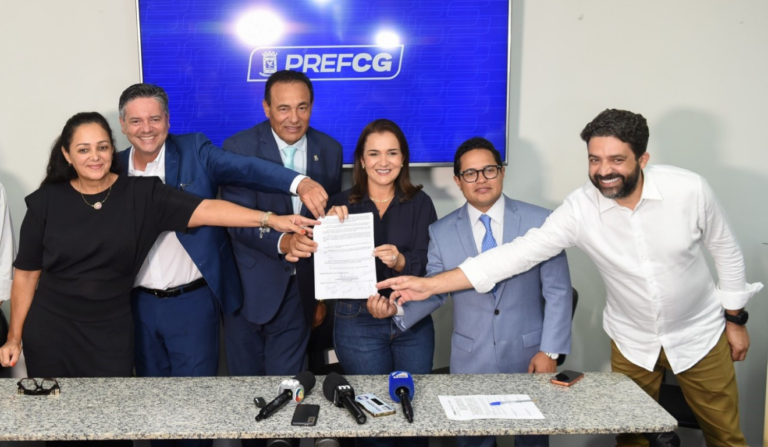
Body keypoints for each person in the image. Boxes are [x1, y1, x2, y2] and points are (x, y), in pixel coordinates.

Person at [379, 109, 763, 447]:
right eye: (594, 159)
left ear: (642, 159)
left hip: (699, 334)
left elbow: (727, 252)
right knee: (631, 434)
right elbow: (514, 255)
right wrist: (427, 285)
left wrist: (735, 318)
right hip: (632, 341)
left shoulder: (690, 190)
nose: (604, 170)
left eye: (616, 159)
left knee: (725, 435)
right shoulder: (579, 209)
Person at [0, 113, 313, 433]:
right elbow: (26, 274)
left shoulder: (142, 194)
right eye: (83, 149)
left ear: (112, 149)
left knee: (110, 427)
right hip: (52, 332)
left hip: (110, 332)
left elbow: (207, 209)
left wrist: (271, 219)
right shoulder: (46, 201)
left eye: (102, 147)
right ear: (67, 154)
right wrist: (14, 337)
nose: (94, 156)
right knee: (55, 425)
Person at [116, 82, 328, 403]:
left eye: (155, 119)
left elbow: (248, 168)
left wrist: (299, 183)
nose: (146, 129)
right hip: (138, 304)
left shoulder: (195, 150)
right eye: (136, 121)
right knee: (151, 399)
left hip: (192, 302)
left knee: (196, 401)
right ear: (123, 125)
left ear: (168, 120)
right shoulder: (112, 167)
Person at [369, 137, 571, 447]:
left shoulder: (541, 221)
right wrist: (396, 309)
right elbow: (435, 289)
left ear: (502, 172)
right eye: (470, 173)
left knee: (532, 440)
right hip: (470, 360)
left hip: (530, 356)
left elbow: (559, 292)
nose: (481, 180)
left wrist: (550, 352)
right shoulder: (441, 231)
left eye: (489, 170)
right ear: (458, 181)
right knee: (473, 442)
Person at [221, 70, 343, 383]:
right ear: (266, 108)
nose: (294, 118)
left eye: (302, 107)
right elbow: (235, 220)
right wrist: (283, 242)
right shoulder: (238, 148)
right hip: (249, 290)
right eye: (283, 108)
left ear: (312, 106)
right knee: (246, 389)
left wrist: (320, 298)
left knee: (287, 387)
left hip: (300, 294)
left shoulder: (330, 149)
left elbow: (327, 228)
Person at [326, 119, 436, 447]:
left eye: (392, 153)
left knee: (415, 415)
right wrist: (328, 232)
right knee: (374, 420)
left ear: (403, 159)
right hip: (357, 321)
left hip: (412, 319)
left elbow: (431, 263)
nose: (383, 162)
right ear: (361, 160)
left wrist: (401, 262)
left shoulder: (421, 203)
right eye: (374, 153)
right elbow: (328, 268)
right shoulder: (340, 205)